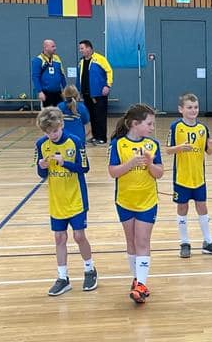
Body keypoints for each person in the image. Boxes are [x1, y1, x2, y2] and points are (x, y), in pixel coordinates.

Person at [34, 107, 97, 296]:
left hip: (76, 197)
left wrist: (65, 163)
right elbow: (42, 174)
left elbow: (84, 168)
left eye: (54, 130)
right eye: (48, 132)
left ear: (61, 124)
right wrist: (42, 166)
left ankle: (90, 269)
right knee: (59, 238)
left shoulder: (75, 141)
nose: (52, 135)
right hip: (57, 199)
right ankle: (63, 278)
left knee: (79, 236)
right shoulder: (41, 144)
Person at [108, 104, 163, 304]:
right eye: (149, 124)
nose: (152, 128)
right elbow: (113, 172)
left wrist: (150, 165)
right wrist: (131, 163)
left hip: (147, 201)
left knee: (142, 241)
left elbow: (159, 173)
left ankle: (141, 284)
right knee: (131, 241)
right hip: (124, 200)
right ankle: (137, 279)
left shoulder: (153, 144)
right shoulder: (118, 144)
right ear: (134, 124)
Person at [165, 94, 212, 259]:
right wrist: (179, 148)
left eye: (196, 107)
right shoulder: (176, 127)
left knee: (202, 207)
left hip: (198, 178)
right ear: (181, 109)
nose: (193, 110)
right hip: (182, 178)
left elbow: (208, 152)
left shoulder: (202, 128)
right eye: (189, 107)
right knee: (182, 208)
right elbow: (168, 150)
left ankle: (208, 242)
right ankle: (184, 243)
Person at [78, 40, 113, 145]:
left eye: (82, 48)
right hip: (86, 93)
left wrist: (107, 85)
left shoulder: (100, 59)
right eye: (80, 49)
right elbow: (80, 77)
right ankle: (95, 136)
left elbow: (109, 71)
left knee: (100, 116)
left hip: (98, 93)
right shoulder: (81, 61)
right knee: (92, 116)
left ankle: (102, 137)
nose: (80, 51)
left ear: (89, 48)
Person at [32, 39, 67, 107]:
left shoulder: (57, 58)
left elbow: (62, 74)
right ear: (46, 48)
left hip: (58, 92)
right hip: (46, 93)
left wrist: (65, 89)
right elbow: (35, 77)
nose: (55, 48)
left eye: (55, 46)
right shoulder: (38, 60)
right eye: (53, 46)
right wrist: (40, 92)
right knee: (48, 113)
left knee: (59, 112)